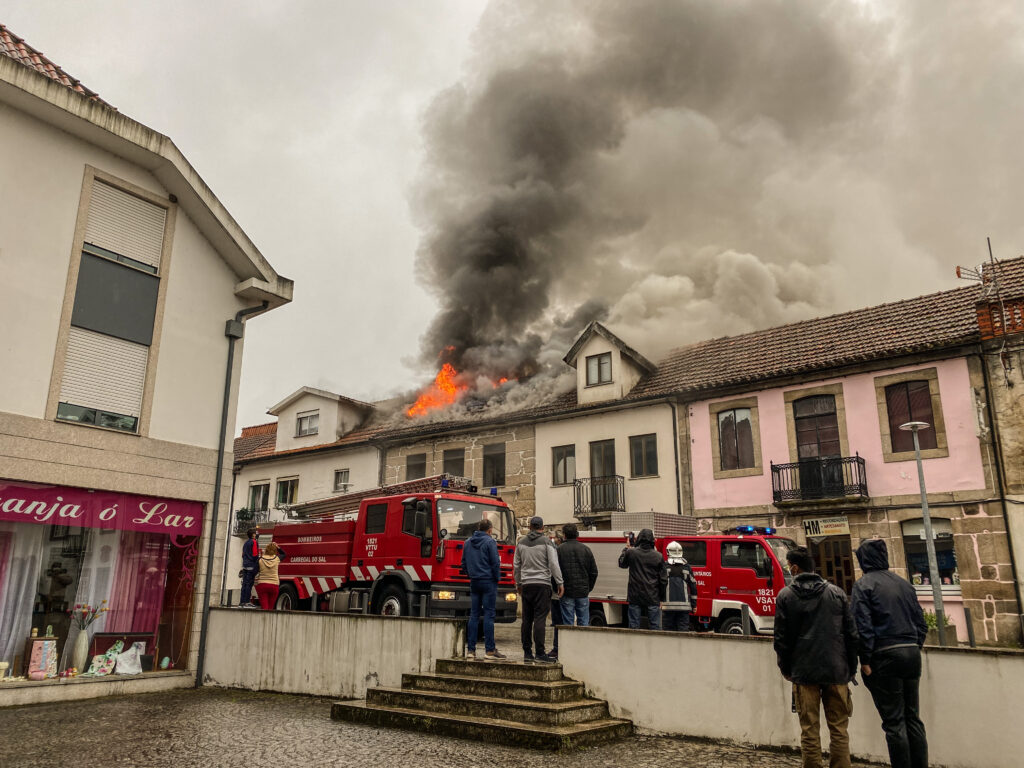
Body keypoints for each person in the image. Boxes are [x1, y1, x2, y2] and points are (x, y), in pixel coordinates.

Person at [774, 546, 858, 768]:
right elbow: (851, 634)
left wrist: (786, 668)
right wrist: (851, 667)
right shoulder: (837, 593)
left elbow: (781, 639)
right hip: (836, 669)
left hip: (803, 671)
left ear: (794, 567)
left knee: (809, 729)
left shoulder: (786, 596)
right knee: (839, 728)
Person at [851, 539, 929, 768]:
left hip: (884, 656)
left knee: (894, 722)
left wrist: (865, 660)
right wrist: (914, 646)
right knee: (912, 717)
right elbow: (921, 624)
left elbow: (862, 628)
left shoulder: (863, 586)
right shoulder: (904, 584)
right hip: (911, 654)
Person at [513, 516, 563, 662]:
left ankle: (527, 652)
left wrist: (519, 583)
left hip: (527, 585)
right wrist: (560, 582)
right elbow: (553, 564)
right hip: (542, 585)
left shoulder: (520, 543)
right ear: (542, 527)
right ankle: (540, 653)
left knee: (526, 619)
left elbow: (516, 566)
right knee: (540, 618)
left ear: (530, 527)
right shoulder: (547, 542)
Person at [461, 518, 506, 660]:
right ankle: (490, 650)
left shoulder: (467, 542)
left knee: (474, 615)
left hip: (474, 581)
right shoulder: (490, 542)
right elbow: (495, 563)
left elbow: (463, 563)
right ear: (490, 530)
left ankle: (471, 651)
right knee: (489, 615)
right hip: (488, 582)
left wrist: (471, 575)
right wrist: (497, 578)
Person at [618, 528, 666, 630]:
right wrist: (662, 598)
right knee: (655, 626)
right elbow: (663, 580)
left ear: (638, 539)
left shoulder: (631, 553)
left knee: (634, 625)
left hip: (635, 595)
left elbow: (622, 564)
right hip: (653, 595)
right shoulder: (658, 556)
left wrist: (626, 548)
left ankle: (634, 645)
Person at [557, 523, 598, 627]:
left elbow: (554, 571)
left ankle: (569, 643)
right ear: (577, 534)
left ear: (564, 535)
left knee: (568, 623)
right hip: (582, 591)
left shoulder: (559, 550)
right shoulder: (585, 549)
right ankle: (583, 643)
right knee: (584, 623)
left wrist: (557, 587)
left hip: (566, 591)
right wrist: (588, 587)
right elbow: (594, 572)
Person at [661, 541, 697, 632]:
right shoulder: (687, 567)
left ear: (668, 552)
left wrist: (659, 601)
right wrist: (694, 605)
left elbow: (660, 585)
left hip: (668, 607)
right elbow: (693, 586)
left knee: (668, 632)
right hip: (684, 607)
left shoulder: (665, 567)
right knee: (683, 632)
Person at [254, 541, 287, 611]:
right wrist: (278, 547)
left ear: (266, 550)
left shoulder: (260, 559)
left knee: (264, 608)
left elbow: (255, 571)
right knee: (270, 608)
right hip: (274, 585)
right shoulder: (277, 559)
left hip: (262, 585)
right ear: (275, 550)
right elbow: (284, 554)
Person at [239, 528, 260, 608]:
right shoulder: (254, 542)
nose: (256, 534)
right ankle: (247, 601)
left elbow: (243, 554)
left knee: (244, 584)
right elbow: (255, 554)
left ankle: (242, 602)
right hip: (251, 565)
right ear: (253, 535)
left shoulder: (246, 543)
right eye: (255, 533)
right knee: (249, 584)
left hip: (245, 565)